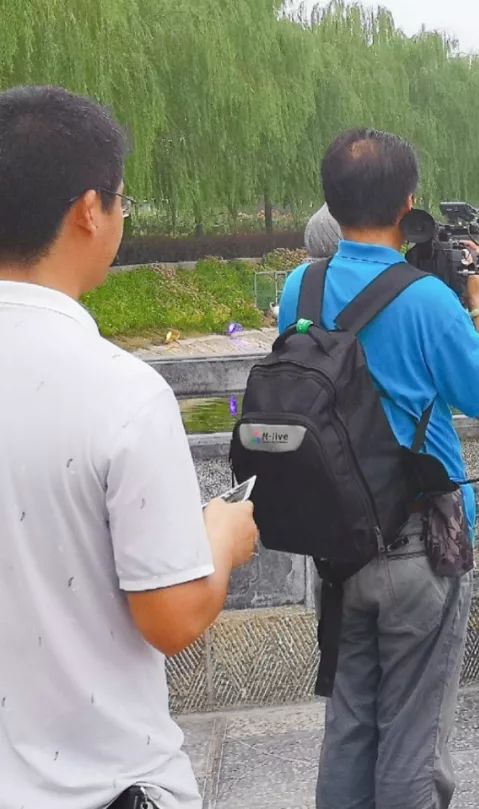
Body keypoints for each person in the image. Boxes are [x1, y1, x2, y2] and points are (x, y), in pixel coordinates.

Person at [0, 86, 259, 809]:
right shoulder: (122, 392)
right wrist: (221, 538)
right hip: (98, 785)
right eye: (122, 201)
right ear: (90, 210)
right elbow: (171, 616)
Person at [276, 128, 479, 808]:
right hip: (421, 545)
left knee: (350, 723)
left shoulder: (301, 286)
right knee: (413, 734)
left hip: (339, 542)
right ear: (410, 203)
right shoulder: (427, 298)